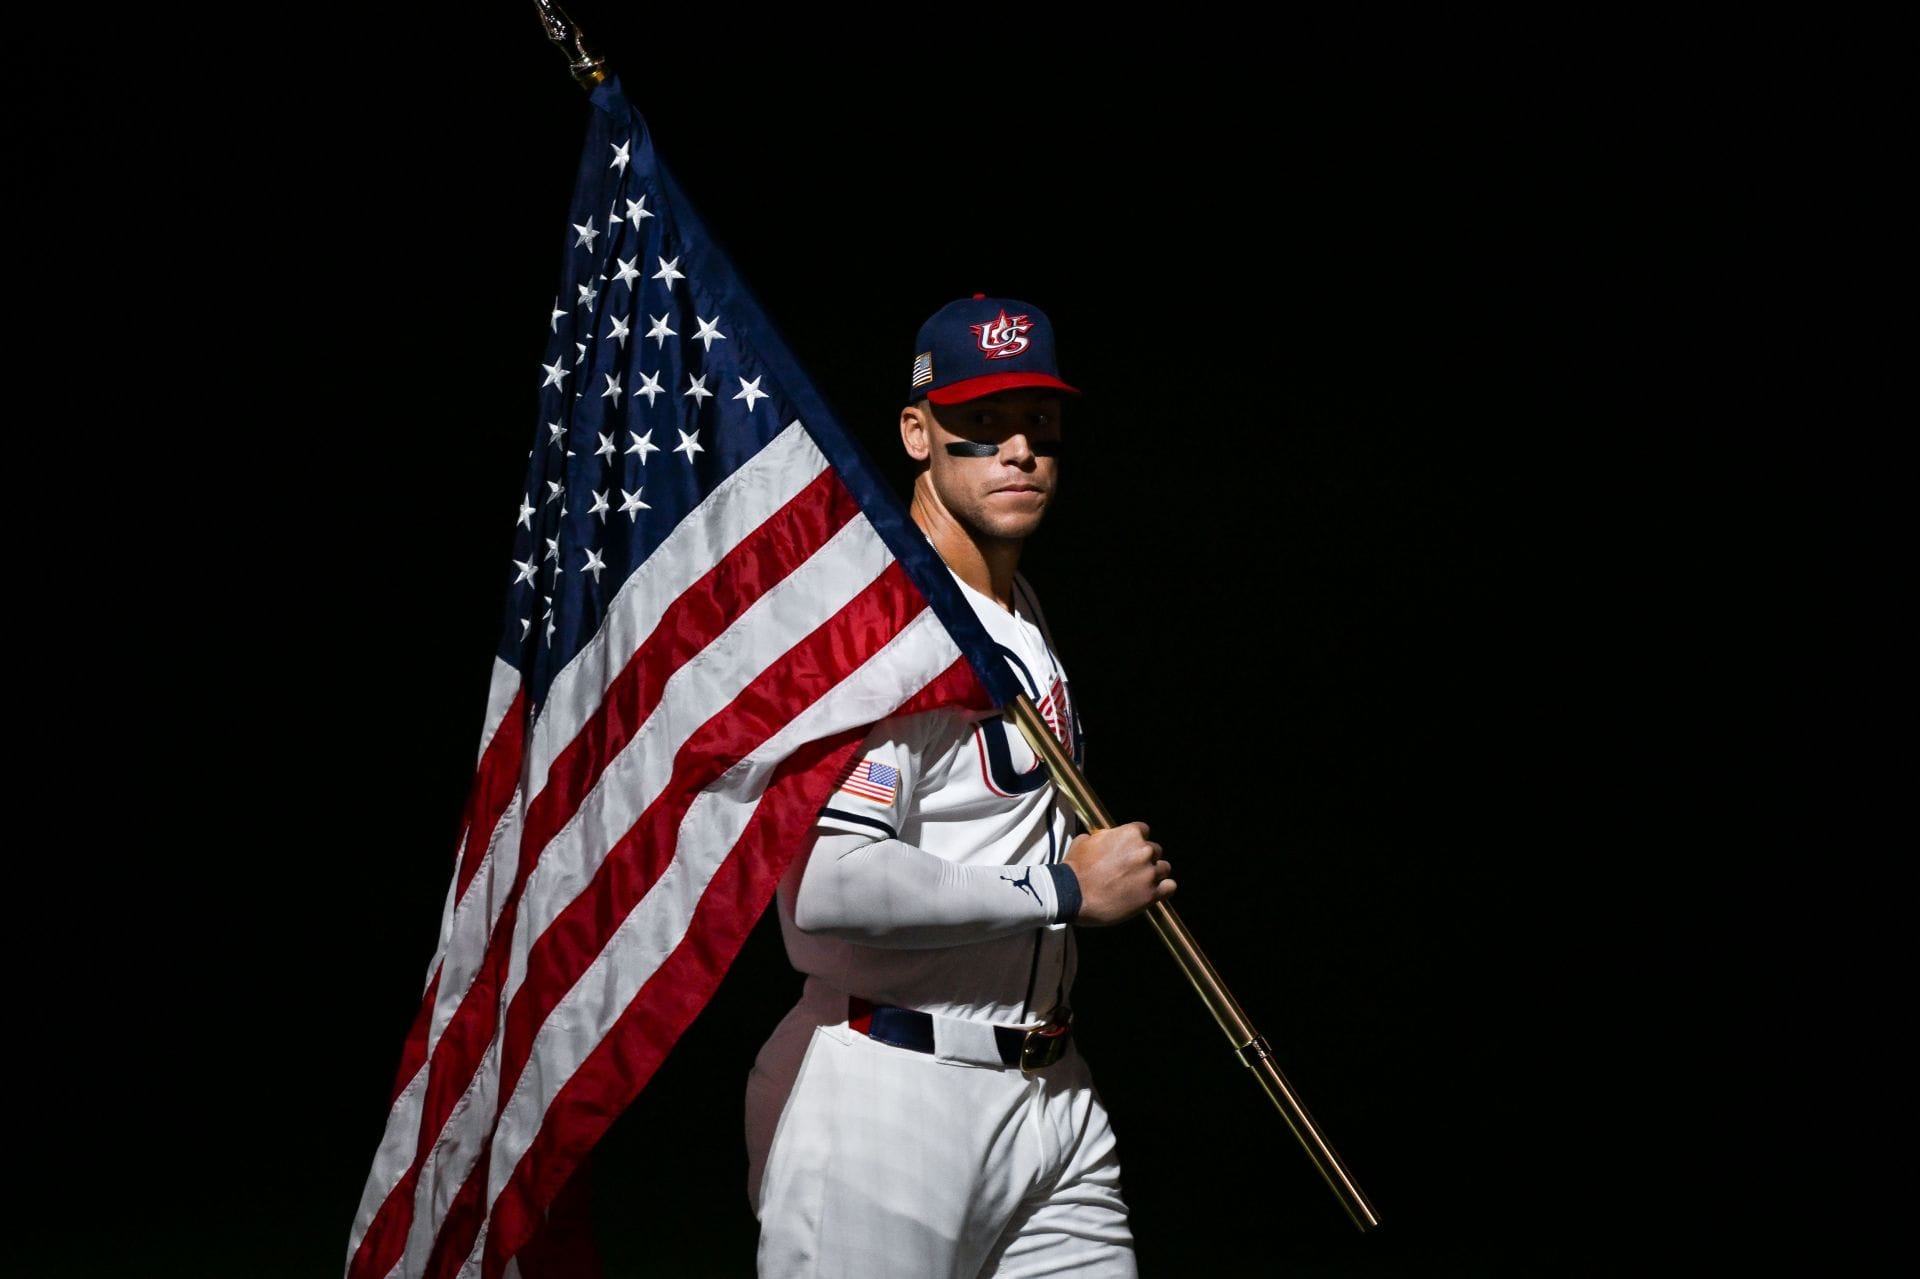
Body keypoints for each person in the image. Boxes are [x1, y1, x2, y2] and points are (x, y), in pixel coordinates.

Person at [744, 295, 1177, 1277]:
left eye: (1038, 419)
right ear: (917, 432)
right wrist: (1067, 889)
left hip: (1051, 1097)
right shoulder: (883, 629)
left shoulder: (1015, 604)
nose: (1017, 448)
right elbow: (827, 883)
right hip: (888, 1095)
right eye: (981, 423)